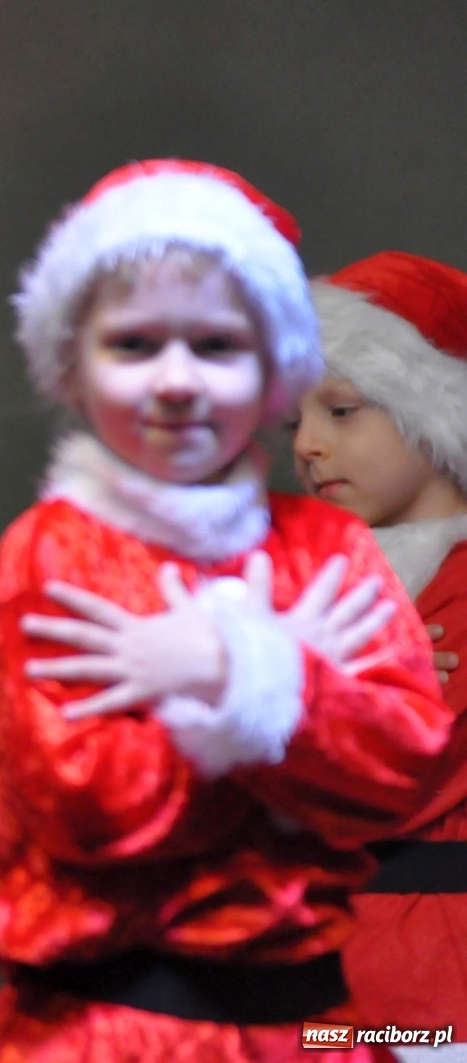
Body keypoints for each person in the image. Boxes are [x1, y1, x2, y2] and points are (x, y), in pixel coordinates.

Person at [0, 161, 453, 1062]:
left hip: (315, 1031)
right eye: (136, 345)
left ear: (277, 365)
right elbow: (92, 805)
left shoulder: (327, 550)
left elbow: (400, 763)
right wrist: (298, 707)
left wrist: (237, 672)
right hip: (115, 1032)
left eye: (217, 347)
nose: (177, 382)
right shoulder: (54, 553)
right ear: (73, 364)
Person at [292, 250, 467, 1059]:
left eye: (343, 409)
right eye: (294, 419)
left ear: (434, 412)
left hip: (436, 987)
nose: (308, 445)